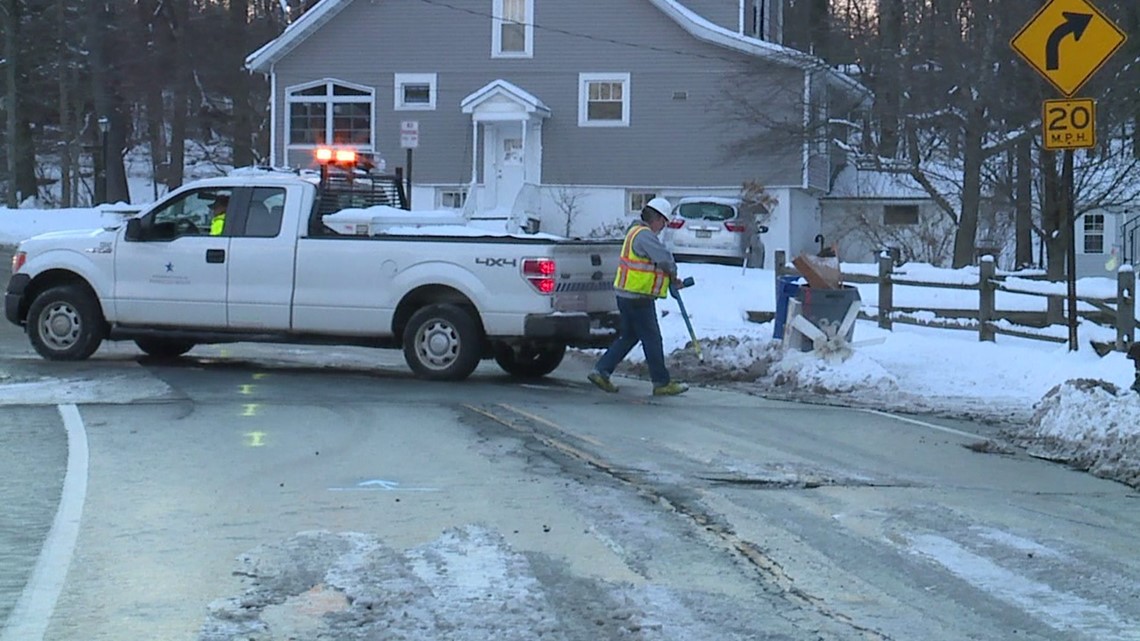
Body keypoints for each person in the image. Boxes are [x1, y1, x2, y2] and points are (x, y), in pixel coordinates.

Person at [588, 197, 689, 396]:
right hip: (638, 296)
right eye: (664, 222)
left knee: (630, 336)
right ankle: (661, 383)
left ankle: (601, 371)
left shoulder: (634, 232)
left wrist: (670, 280)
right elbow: (664, 259)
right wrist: (673, 274)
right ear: (657, 218)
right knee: (652, 339)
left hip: (626, 294)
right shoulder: (645, 235)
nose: (663, 226)